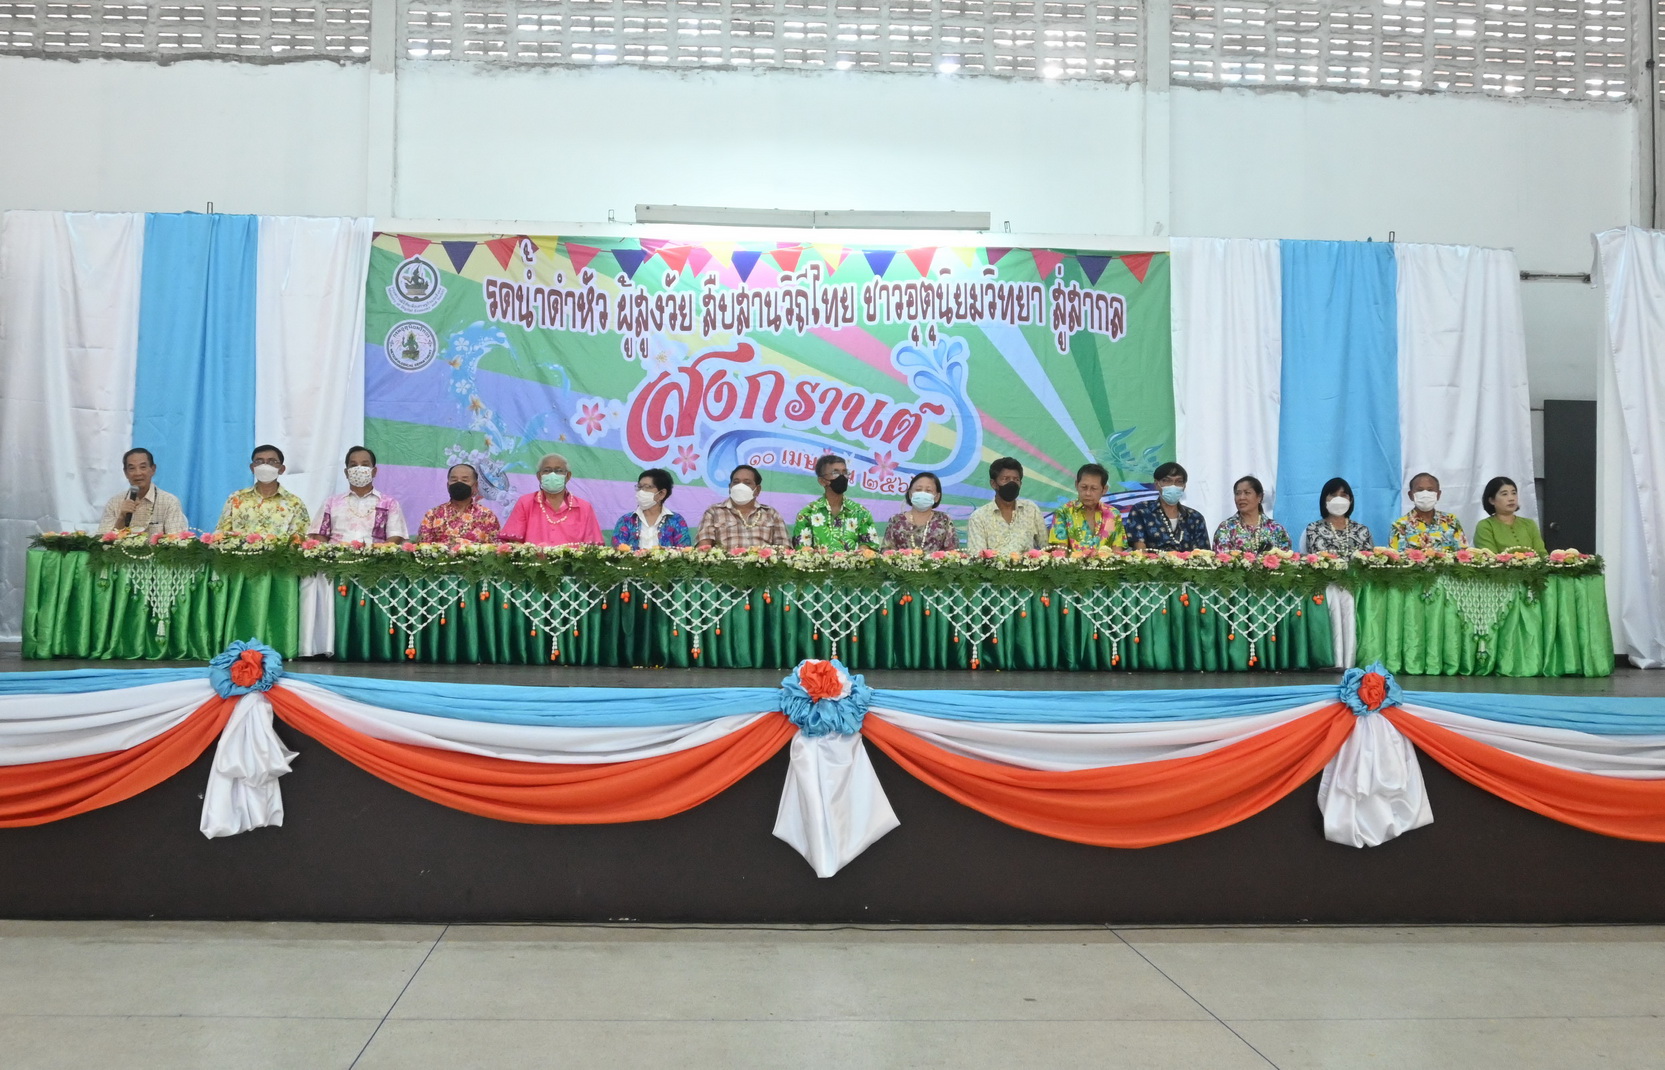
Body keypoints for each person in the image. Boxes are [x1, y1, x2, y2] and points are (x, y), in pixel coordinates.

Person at [312, 446, 408, 544]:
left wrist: (378, 552)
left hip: (375, 553)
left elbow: (395, 536)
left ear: (374, 472)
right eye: (353, 465)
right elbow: (319, 535)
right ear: (346, 473)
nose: (359, 469)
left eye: (365, 465)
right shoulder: (331, 502)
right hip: (337, 553)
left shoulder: (389, 503)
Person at [501, 453, 603, 545]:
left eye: (558, 471)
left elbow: (593, 547)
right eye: (547, 470)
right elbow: (514, 543)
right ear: (539, 476)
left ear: (568, 476)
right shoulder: (525, 502)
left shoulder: (584, 507)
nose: (552, 475)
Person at [216, 444, 310, 536]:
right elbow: (221, 535)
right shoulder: (236, 498)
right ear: (252, 468)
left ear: (281, 469)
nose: (265, 466)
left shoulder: (294, 503)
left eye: (272, 462)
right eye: (259, 461)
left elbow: (300, 540)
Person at [792, 454, 878, 550]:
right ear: (822, 481)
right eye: (835, 473)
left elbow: (870, 547)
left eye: (845, 472)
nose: (842, 477)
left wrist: (862, 552)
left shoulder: (861, 512)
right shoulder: (807, 513)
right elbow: (802, 551)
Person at [695, 464, 791, 550]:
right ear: (730, 487)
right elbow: (703, 548)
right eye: (736, 482)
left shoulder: (771, 514)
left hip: (763, 564)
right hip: (725, 564)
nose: (740, 486)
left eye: (747, 483)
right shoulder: (714, 512)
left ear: (757, 490)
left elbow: (784, 549)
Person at [966, 457, 1048, 553]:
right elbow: (977, 556)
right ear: (993, 483)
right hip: (994, 563)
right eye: (1006, 479)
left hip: (1028, 563)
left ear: (1020, 484)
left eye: (1016, 479)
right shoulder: (979, 517)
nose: (1012, 483)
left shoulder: (1031, 509)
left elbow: (1047, 548)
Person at [98, 447, 188, 535]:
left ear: (153, 469)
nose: (138, 473)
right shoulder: (114, 503)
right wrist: (121, 518)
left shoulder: (169, 502)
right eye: (132, 468)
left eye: (143, 467)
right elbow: (101, 541)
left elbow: (176, 540)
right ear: (125, 473)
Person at [1124, 462, 1210, 551]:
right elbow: (1139, 550)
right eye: (1167, 481)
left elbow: (1204, 553)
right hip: (1152, 560)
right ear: (1157, 484)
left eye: (1179, 481)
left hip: (1188, 560)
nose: (1173, 485)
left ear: (1184, 486)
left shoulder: (1195, 517)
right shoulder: (1142, 510)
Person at [1047, 463, 1127, 549]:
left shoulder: (1113, 514)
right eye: (1084, 487)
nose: (1088, 493)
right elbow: (1060, 551)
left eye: (1094, 488)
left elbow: (1117, 551)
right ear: (1076, 485)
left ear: (1104, 489)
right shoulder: (1063, 512)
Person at [417, 462, 501, 543]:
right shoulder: (433, 515)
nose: (459, 483)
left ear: (475, 485)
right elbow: (423, 547)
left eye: (465, 480)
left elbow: (496, 548)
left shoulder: (487, 516)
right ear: (448, 485)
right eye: (454, 480)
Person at [612, 468, 691, 549]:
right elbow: (618, 550)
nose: (641, 491)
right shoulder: (626, 520)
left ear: (661, 494)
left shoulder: (676, 520)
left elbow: (684, 551)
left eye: (647, 487)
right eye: (639, 487)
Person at [1212, 475, 1292, 552]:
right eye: (1238, 493)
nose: (1241, 497)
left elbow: (1286, 558)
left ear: (1259, 497)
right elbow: (1221, 559)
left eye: (1247, 493)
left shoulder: (1276, 529)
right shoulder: (1225, 528)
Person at [1389, 472, 1467, 550]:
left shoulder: (1451, 521)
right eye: (1420, 490)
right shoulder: (1400, 526)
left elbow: (1464, 553)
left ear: (1438, 494)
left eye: (1430, 490)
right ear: (1410, 495)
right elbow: (1395, 556)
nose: (1425, 494)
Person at [883, 472, 958, 551]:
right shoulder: (896, 520)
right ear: (910, 494)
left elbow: (953, 553)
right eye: (918, 490)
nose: (923, 493)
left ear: (937, 497)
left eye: (928, 490)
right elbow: (886, 552)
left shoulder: (944, 520)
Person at [1473, 476, 1547, 554]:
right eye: (1504, 494)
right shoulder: (1485, 526)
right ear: (1492, 500)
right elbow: (1490, 557)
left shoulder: (1529, 524)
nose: (1511, 498)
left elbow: (1541, 553)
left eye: (1514, 493)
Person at [1302, 476, 1375, 555]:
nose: (1338, 500)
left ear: (1350, 500)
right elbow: (1303, 559)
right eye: (1333, 495)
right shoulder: (1312, 530)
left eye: (1343, 495)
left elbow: (1372, 559)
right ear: (1324, 499)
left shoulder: (1363, 531)